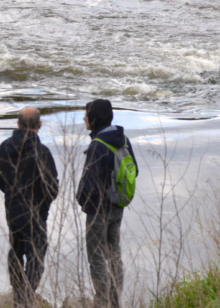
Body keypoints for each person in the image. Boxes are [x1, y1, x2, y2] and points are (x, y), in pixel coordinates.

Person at [0, 106, 59, 308]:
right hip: (37, 213)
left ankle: (18, 292)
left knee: (16, 250)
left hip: (13, 209)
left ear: (18, 124)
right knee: (36, 257)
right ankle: (26, 298)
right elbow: (52, 188)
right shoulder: (42, 152)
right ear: (40, 124)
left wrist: (11, 192)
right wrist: (43, 201)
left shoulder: (4, 148)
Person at [77, 99, 138, 308]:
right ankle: (114, 300)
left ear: (95, 118)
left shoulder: (97, 145)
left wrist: (82, 202)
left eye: (87, 115)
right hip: (118, 207)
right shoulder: (123, 140)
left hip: (98, 211)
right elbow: (134, 171)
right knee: (114, 255)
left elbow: (89, 186)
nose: (84, 118)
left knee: (97, 258)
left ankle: (102, 302)